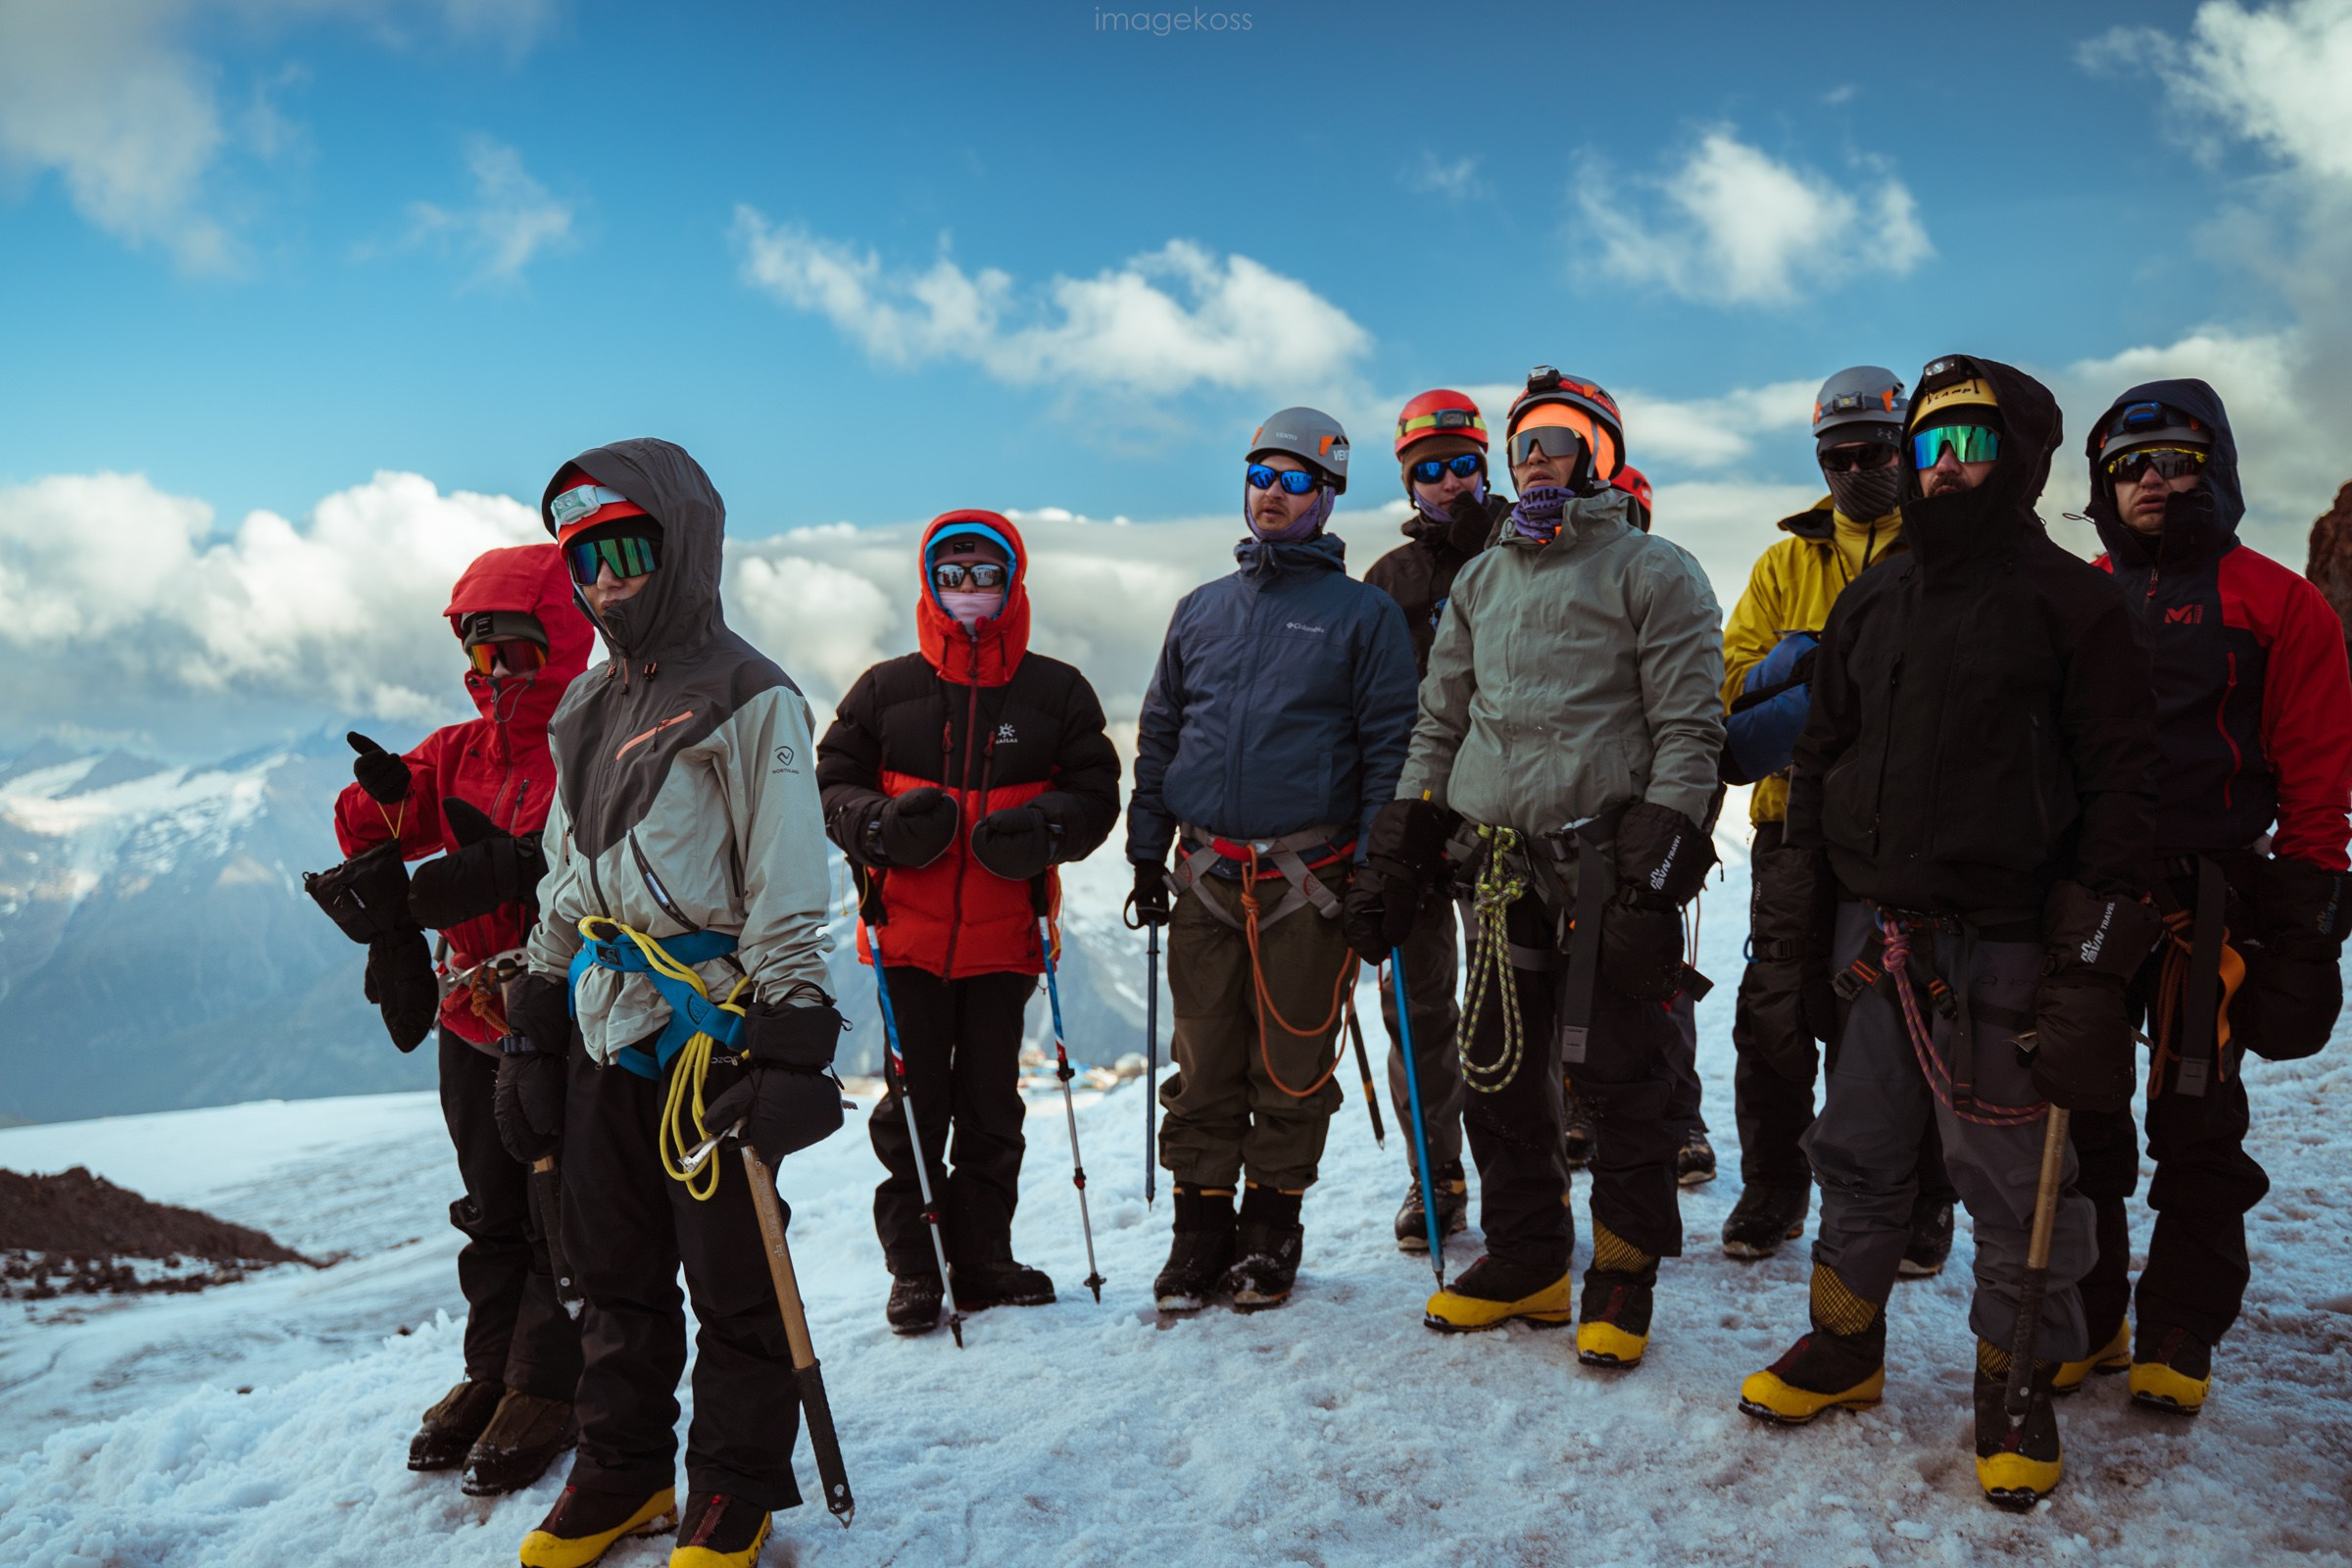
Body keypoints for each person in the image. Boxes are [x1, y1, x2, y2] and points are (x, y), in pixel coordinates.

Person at [1739, 356, 2161, 1511]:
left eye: (1972, 445)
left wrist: (2091, 973)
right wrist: (1799, 936)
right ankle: (1844, 1344)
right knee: (1859, 1147)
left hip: (2015, 938)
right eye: (1931, 447)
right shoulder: (1872, 600)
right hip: (1876, 934)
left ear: (2021, 459)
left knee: (2015, 1172)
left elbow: (2125, 796)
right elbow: (1818, 764)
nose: (1947, 468)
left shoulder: (2076, 604)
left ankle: (2016, 1377)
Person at [501, 442, 846, 1568]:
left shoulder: (754, 697)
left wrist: (793, 1040)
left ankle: (733, 1486)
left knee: (733, 1273)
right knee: (610, 1270)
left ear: (684, 547)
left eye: (630, 549)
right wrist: (535, 1011)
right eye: (584, 558)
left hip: (713, 1026)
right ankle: (627, 1468)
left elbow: (788, 880)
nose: (605, 578)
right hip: (605, 1021)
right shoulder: (587, 705)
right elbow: (566, 870)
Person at [1376, 367, 1724, 1370]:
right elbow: (1440, 718)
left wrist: (1663, 855)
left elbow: (1691, 729)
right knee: (1500, 1076)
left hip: (1607, 863)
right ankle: (1529, 1258)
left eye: (1557, 439)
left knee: (1621, 1074)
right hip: (1496, 865)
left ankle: (1623, 1271)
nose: (1533, 458)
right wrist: (1408, 823)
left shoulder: (1655, 570)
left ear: (1601, 453)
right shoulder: (1483, 578)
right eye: (1522, 443)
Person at [2063, 380, 2352, 1415]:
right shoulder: (2078, 596)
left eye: (2176, 459)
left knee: (2196, 1118)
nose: (2152, 479)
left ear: (2215, 468)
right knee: (2081, 1107)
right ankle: (2086, 1314)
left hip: (2210, 901)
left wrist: (2313, 925)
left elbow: (2319, 774)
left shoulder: (2280, 603)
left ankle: (2179, 1323)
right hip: (2091, 892)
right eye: (2130, 466)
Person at [1129, 407, 1419, 1314]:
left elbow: (1389, 749)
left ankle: (1270, 1230)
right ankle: (1198, 1232)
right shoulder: (1202, 609)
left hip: (1309, 882)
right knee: (1204, 1062)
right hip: (1206, 874)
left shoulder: (1363, 616)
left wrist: (1378, 868)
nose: (1273, 493)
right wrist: (1145, 848)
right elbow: (1162, 733)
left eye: (1296, 480)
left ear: (1329, 496)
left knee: (1293, 1068)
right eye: (1261, 473)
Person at [322, 545, 591, 1496]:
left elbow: (622, 862)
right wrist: (388, 799)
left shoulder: (592, 743)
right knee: (492, 1205)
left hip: (563, 1016)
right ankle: (492, 1370)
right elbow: (369, 837)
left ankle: (549, 1385)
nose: (491, 674)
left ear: (556, 642)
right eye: (479, 656)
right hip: (471, 1015)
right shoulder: (457, 750)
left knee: (560, 1208)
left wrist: (525, 865)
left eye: (510, 651)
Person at [815, 511, 1121, 1334]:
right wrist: (878, 825)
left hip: (1007, 941)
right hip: (905, 939)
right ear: (928, 583)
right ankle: (917, 1268)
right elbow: (831, 787)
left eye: (984, 574)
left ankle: (982, 1259)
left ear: (1012, 580)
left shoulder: (1057, 693)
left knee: (991, 1104)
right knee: (916, 1104)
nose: (968, 592)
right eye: (951, 575)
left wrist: (1047, 829)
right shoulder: (885, 690)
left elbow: (1097, 798)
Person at [1714, 368, 1957, 1273]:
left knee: (1907, 1010)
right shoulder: (1783, 564)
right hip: (1791, 823)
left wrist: (1804, 689)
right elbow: (1733, 688)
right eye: (1837, 456)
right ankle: (1774, 1184)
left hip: (1905, 825)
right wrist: (1810, 667)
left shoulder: (1941, 550)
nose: (1856, 470)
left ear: (1907, 449)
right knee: (1774, 1005)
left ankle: (1925, 1200)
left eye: (1874, 451)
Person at [1354, 389, 1508, 1252]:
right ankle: (1436, 1180)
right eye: (1428, 471)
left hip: (1504, 815)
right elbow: (1367, 710)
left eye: (1462, 466)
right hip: (1413, 818)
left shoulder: (1528, 550)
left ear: (1484, 468)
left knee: (1508, 1007)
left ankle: (1524, 1176)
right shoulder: (1389, 582)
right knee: (1419, 1013)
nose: (1448, 484)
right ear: (1409, 484)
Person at [1609, 462, 1717, 1189]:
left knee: (1656, 982)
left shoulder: (1662, 586)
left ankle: (1681, 1120)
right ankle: (1590, 1110)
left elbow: (1692, 717)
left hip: (1651, 818)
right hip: (1597, 815)